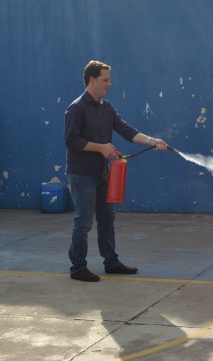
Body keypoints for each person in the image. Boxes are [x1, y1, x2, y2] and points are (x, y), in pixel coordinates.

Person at [65, 60, 168, 282]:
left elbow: (125, 130)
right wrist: (101, 147)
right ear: (92, 80)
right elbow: (72, 141)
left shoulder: (106, 107)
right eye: (105, 80)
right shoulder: (76, 108)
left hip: (102, 172)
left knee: (107, 218)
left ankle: (111, 262)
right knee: (83, 220)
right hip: (82, 174)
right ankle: (77, 267)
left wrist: (152, 140)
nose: (109, 84)